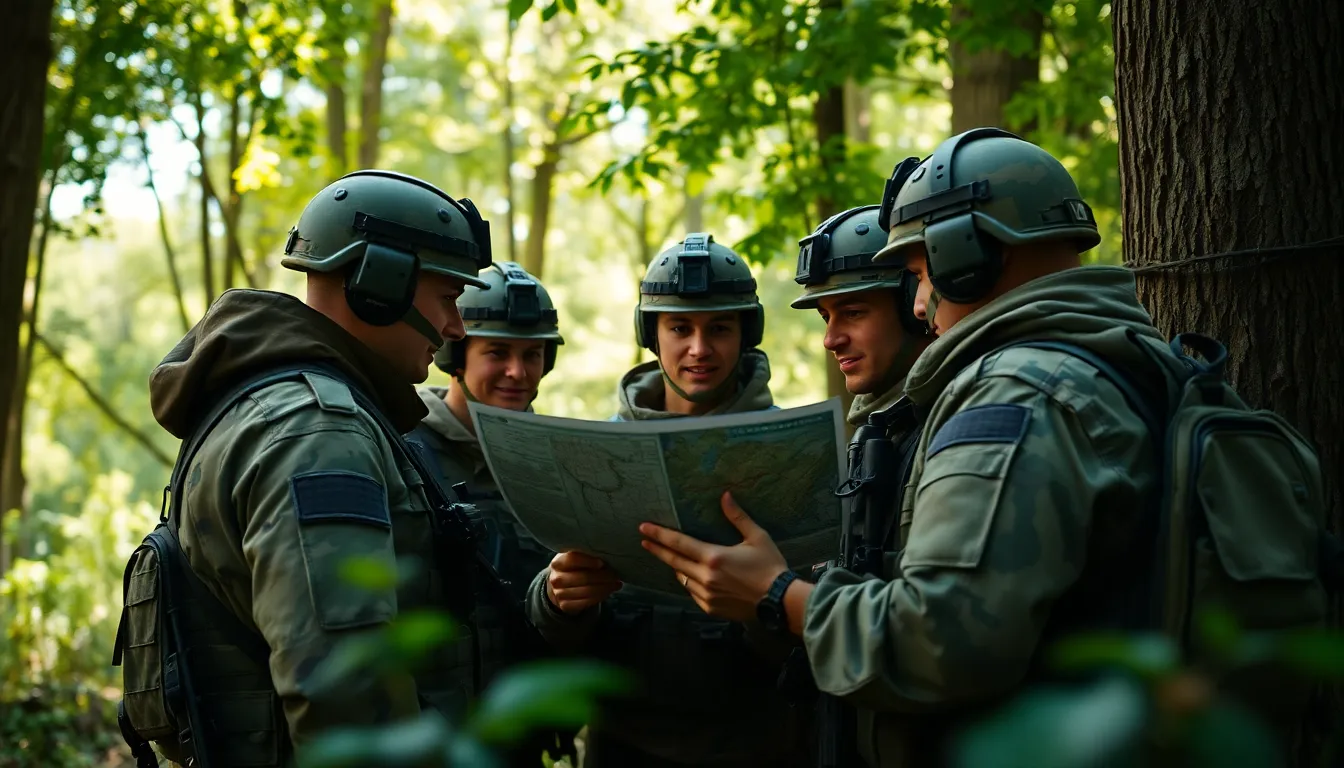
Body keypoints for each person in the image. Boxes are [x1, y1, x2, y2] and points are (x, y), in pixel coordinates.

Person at [634, 129, 1212, 766]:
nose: (916, 301)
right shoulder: (1127, 363)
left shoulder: (1017, 396)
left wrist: (778, 597)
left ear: (966, 259)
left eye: (915, 273)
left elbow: (944, 640)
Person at [115, 170, 516, 766]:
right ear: (380, 285)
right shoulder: (319, 433)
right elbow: (343, 697)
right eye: (448, 299)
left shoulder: (275, 403)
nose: (456, 328)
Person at [523, 233, 811, 767]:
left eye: (719, 328)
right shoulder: (595, 452)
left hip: (758, 746)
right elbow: (555, 634)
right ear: (650, 336)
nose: (699, 348)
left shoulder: (792, 453)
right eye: (680, 328)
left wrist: (763, 600)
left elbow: (814, 633)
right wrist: (557, 596)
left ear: (746, 333)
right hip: (624, 747)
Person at [406, 260, 563, 699]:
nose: (518, 372)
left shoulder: (558, 461)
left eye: (532, 354)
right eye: (497, 353)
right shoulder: (400, 445)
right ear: (454, 356)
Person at [792, 203, 931, 428]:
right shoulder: (888, 424)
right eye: (826, 317)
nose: (830, 341)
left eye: (852, 313)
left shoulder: (958, 415)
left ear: (913, 304)